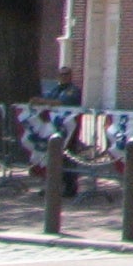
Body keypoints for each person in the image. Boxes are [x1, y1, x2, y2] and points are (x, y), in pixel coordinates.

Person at [42, 67, 81, 197]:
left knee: (68, 157)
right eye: (61, 74)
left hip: (69, 130)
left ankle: (70, 186)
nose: (63, 76)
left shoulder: (73, 91)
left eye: (66, 74)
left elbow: (61, 102)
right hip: (55, 129)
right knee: (52, 157)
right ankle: (52, 185)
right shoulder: (55, 89)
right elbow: (47, 98)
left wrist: (44, 102)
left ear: (70, 75)